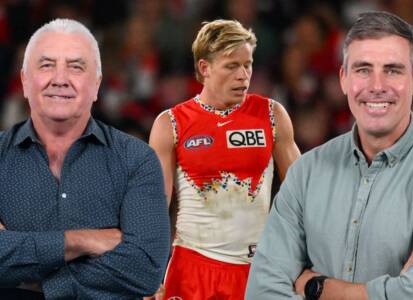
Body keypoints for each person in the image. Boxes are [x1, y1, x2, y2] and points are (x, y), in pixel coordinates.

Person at [246, 11, 413, 300]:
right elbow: (261, 291)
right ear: (343, 79)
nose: (377, 86)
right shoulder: (306, 171)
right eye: (363, 69)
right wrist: (390, 290)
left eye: (392, 70)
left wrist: (316, 287)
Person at [0, 19, 170, 299]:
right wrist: (81, 241)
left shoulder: (136, 160)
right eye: (46, 65)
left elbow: (146, 269)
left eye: (76, 67)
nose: (60, 78)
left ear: (96, 85)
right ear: (24, 81)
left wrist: (33, 283)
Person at [149, 19, 300, 300]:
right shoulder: (170, 124)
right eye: (232, 66)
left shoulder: (272, 115)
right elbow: (156, 206)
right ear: (205, 68)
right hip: (192, 268)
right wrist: (148, 273)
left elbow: (304, 196)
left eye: (248, 64)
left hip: (256, 269)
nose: (243, 75)